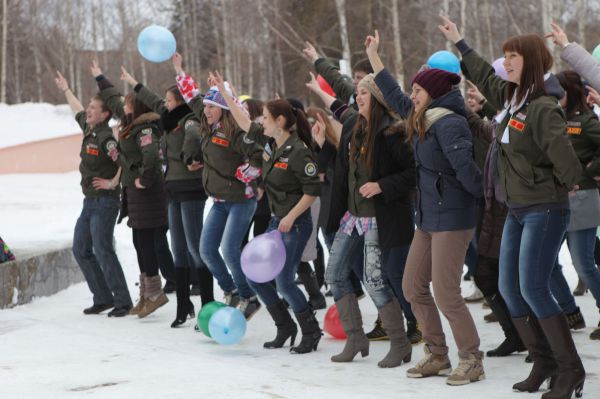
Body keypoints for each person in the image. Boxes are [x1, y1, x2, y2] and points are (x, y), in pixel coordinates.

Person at [440, 15, 585, 397]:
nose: (505, 62)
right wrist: (460, 42)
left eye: (513, 56)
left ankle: (570, 370)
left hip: (544, 207)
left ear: (532, 62)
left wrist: (561, 182)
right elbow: (486, 77)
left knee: (534, 287)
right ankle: (544, 361)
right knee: (509, 286)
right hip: (516, 207)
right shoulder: (511, 99)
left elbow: (566, 159)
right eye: (504, 55)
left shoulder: (542, 107)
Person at [368, 29, 485, 384]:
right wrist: (374, 57)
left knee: (447, 293)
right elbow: (393, 94)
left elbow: (468, 173)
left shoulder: (449, 123)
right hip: (429, 217)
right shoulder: (423, 117)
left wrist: (482, 198)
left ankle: (472, 359)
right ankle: (437, 353)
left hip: (453, 217)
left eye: (417, 90)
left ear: (431, 92)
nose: (411, 95)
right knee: (412, 286)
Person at [307, 61, 416, 368]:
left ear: (378, 96)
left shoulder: (391, 131)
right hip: (352, 215)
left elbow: (412, 173)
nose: (359, 94)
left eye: (365, 90)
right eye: (358, 91)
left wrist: (381, 185)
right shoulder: (355, 126)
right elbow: (342, 169)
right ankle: (356, 339)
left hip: (380, 217)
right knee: (335, 275)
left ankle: (400, 342)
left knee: (374, 279)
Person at [215, 72, 322, 353]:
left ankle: (311, 331)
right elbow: (243, 121)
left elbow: (312, 191)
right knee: (255, 276)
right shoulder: (270, 145)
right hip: (278, 221)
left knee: (285, 281)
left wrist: (290, 217)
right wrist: (225, 95)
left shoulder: (298, 151)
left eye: (265, 117)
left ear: (280, 121)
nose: (261, 121)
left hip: (295, 224)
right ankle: (284, 326)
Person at [120, 59, 215, 328]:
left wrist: (189, 156)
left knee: (196, 249)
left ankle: (206, 304)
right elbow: (150, 98)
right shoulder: (168, 117)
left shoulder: (189, 120)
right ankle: (183, 304)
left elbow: (193, 138)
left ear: (181, 102)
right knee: (178, 249)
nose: (165, 103)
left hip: (191, 190)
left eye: (170, 100)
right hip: (173, 189)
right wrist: (134, 83)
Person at [175, 61, 263, 319]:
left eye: (211, 106)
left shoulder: (236, 131)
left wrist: (246, 173)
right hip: (220, 200)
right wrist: (180, 72)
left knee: (229, 249)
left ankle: (249, 296)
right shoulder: (207, 125)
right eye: (205, 107)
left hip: (241, 200)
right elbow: (192, 98)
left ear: (224, 109)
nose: (206, 110)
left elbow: (259, 156)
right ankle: (232, 290)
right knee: (206, 250)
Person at [91, 61, 169, 318]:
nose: (123, 108)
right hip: (135, 195)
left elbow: (152, 157)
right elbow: (113, 101)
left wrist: (143, 180)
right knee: (139, 242)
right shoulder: (131, 124)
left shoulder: (145, 127)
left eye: (127, 105)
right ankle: (148, 293)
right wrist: (101, 78)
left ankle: (154, 294)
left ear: (137, 108)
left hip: (147, 194)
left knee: (146, 243)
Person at [54, 70, 133, 317]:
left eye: (93, 108)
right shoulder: (89, 129)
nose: (87, 110)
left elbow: (124, 161)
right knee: (81, 249)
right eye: (88, 107)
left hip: (106, 202)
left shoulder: (106, 138)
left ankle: (122, 300)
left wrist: (113, 183)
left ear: (105, 114)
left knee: (102, 248)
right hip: (89, 202)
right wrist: (67, 89)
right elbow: (76, 109)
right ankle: (102, 297)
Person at [556, 70, 600, 341]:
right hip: (552, 199)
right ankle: (569, 312)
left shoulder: (586, 121)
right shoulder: (552, 117)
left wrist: (590, 170)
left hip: (582, 199)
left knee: (583, 264)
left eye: (558, 90)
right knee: (545, 263)